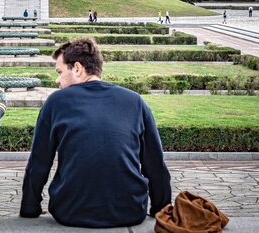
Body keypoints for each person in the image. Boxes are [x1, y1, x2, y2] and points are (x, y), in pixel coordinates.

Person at [20, 38, 171, 228]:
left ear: (77, 68)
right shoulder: (135, 101)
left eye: (59, 72)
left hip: (70, 211)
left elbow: (39, 162)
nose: (57, 80)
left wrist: (29, 208)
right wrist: (161, 209)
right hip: (130, 210)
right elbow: (155, 163)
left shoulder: (56, 102)